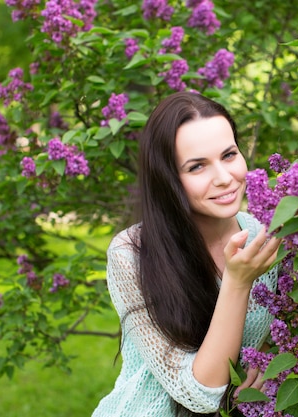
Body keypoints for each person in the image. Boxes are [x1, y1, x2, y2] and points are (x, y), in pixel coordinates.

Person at [92, 91, 281, 417]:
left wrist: (271, 358)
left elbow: (286, 324)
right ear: (167, 178)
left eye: (229, 155)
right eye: (197, 167)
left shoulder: (265, 236)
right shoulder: (131, 254)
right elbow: (200, 394)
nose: (224, 178)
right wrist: (237, 281)